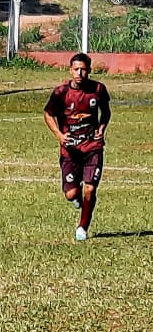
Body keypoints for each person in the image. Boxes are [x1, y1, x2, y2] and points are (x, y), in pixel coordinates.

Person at [43, 52, 111, 241]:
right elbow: (48, 114)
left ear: (89, 70)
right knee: (71, 193)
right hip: (70, 149)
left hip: (92, 146)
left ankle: (82, 227)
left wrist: (102, 129)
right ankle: (77, 200)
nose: (80, 73)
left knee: (90, 188)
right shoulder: (61, 92)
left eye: (83, 69)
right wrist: (59, 135)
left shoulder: (98, 89)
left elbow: (105, 112)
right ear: (70, 70)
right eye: (76, 69)